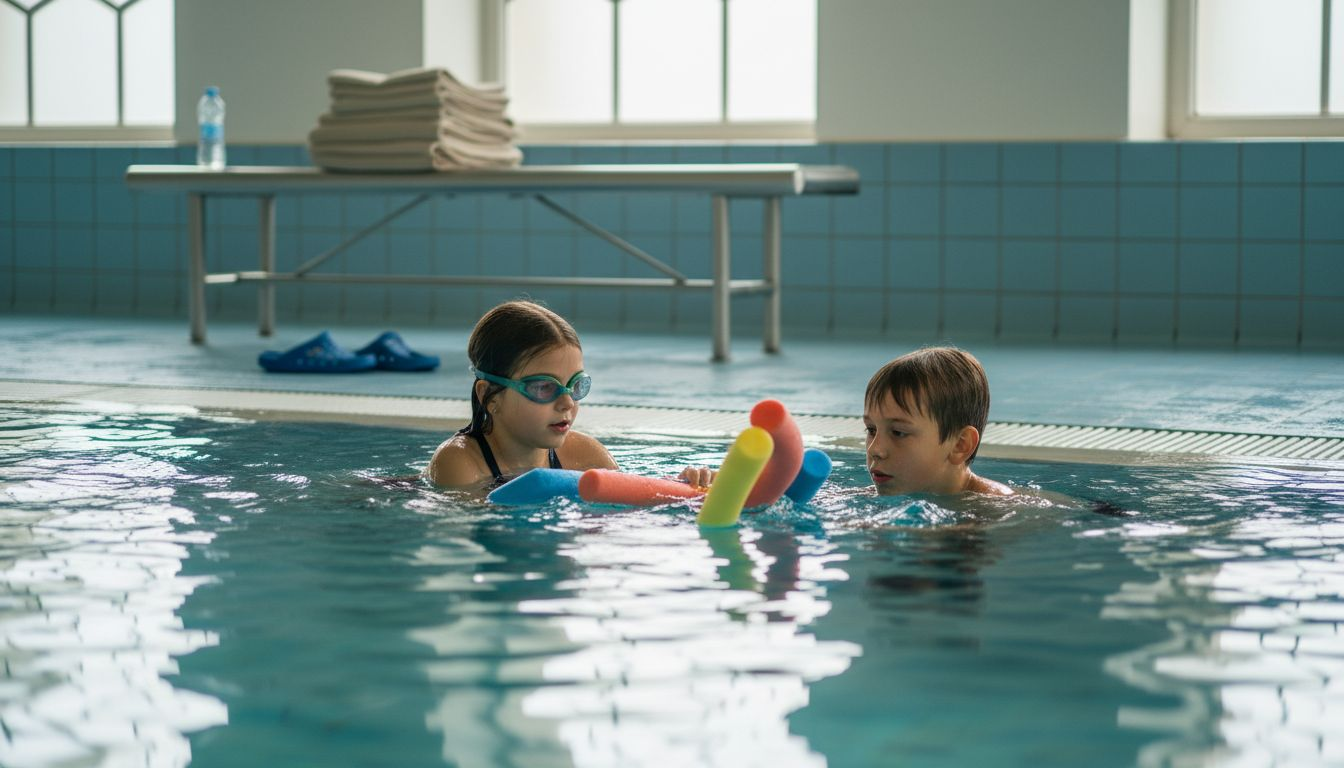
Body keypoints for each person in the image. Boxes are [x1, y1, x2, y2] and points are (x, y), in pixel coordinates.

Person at [427, 300, 715, 490]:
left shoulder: (584, 454)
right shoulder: (460, 463)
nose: (567, 403)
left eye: (576, 386)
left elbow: (634, 501)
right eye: (544, 387)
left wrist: (682, 487)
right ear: (491, 396)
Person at [862, 346, 1013, 498]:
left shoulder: (999, 508)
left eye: (898, 433)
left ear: (959, 445)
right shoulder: (863, 496)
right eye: (871, 430)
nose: (875, 450)